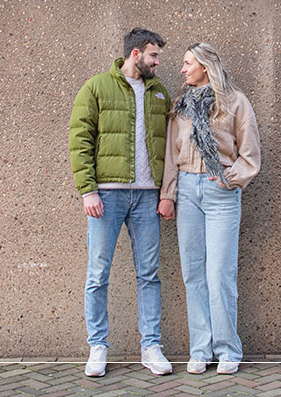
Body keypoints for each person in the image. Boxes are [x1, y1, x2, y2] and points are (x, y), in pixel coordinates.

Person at [68, 27, 174, 378]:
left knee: (149, 274)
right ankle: (98, 346)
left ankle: (151, 347)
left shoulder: (160, 93)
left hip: (147, 198)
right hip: (107, 196)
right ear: (136, 54)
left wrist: (166, 193)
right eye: (154, 56)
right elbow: (80, 139)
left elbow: (170, 147)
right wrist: (88, 190)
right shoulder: (97, 87)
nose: (157, 63)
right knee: (98, 273)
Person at [158, 42, 261, 375]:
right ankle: (200, 350)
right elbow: (171, 156)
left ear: (205, 66)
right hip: (187, 189)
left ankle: (228, 349)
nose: (182, 69)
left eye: (188, 63)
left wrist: (230, 178)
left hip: (221, 194)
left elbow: (250, 154)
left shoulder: (235, 102)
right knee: (193, 274)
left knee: (220, 275)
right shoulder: (181, 106)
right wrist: (168, 194)